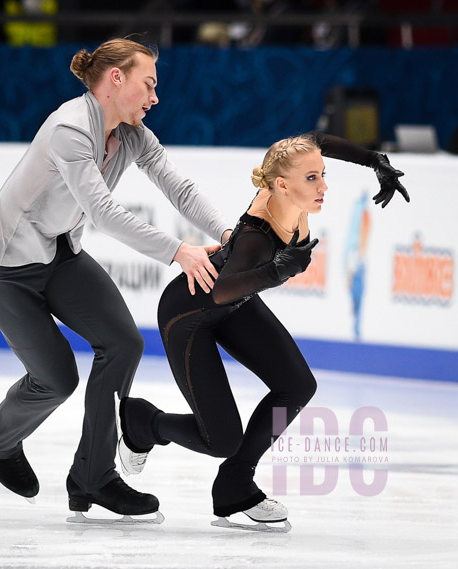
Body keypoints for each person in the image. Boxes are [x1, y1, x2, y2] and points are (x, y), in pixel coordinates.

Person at [0, 38, 233, 521]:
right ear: (116, 79)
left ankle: (92, 476)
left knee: (124, 343)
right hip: (1, 268)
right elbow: (103, 214)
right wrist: (178, 252)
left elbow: (180, 189)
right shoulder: (70, 127)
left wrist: (230, 233)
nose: (154, 97)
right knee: (56, 379)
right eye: (148, 84)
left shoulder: (133, 134)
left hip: (58, 256)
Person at [118, 132, 409, 529]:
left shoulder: (291, 176)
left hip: (232, 306)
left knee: (297, 385)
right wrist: (280, 270)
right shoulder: (257, 234)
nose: (324, 185)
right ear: (282, 186)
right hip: (188, 315)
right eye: (312, 179)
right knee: (221, 440)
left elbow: (319, 141)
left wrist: (373, 159)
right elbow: (221, 291)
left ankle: (235, 484)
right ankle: (143, 422)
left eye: (322, 175)